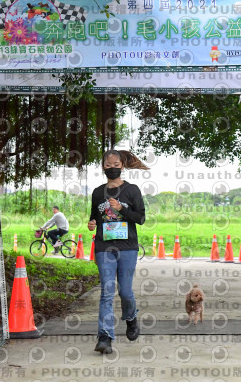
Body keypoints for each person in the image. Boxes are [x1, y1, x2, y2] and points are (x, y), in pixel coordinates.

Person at [88, 149, 149, 354]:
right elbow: (94, 216)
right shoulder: (98, 192)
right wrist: (92, 223)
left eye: (116, 165)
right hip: (104, 247)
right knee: (106, 292)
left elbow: (140, 218)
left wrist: (122, 209)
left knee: (125, 292)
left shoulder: (132, 190)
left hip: (127, 248)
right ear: (103, 167)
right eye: (108, 165)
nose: (112, 168)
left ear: (122, 166)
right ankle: (105, 337)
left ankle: (131, 318)